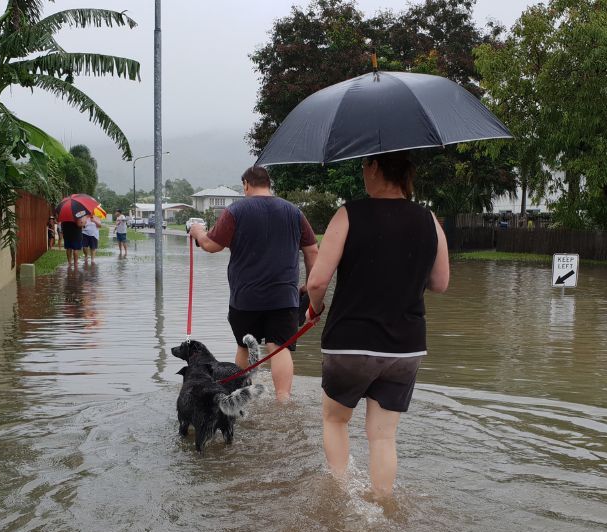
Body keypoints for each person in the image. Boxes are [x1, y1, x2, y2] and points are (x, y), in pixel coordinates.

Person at [305, 151, 449, 499]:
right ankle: (381, 502)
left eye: (363, 166)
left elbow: (316, 281)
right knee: (383, 436)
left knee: (335, 420)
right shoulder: (429, 220)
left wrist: (314, 308)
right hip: (405, 347)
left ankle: (342, 497)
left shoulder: (348, 214)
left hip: (350, 342)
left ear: (374, 168)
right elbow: (441, 282)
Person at [189, 166, 319, 402]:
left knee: (244, 346)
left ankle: (238, 398)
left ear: (246, 185)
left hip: (245, 297)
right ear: (268, 184)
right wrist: (308, 285)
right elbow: (312, 250)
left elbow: (211, 245)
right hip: (284, 296)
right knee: (279, 348)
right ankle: (283, 401)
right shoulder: (293, 212)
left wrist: (198, 232)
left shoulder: (236, 210)